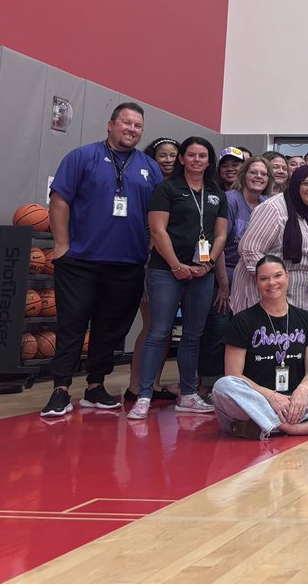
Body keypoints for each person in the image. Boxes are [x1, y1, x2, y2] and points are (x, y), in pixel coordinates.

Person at [40, 102, 164, 418]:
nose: (132, 130)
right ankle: (60, 389)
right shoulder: (82, 157)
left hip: (127, 264)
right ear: (110, 125)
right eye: (126, 123)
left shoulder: (150, 167)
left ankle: (96, 386)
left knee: (110, 329)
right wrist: (62, 244)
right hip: (81, 260)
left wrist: (148, 253)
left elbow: (157, 216)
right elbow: (59, 200)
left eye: (138, 126)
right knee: (72, 325)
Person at [129, 136, 228, 419]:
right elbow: (158, 231)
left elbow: (220, 234)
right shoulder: (167, 188)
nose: (197, 160)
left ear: (209, 161)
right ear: (182, 159)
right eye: (192, 155)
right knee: (158, 332)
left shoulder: (216, 193)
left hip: (201, 273)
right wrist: (175, 265)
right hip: (166, 271)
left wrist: (207, 268)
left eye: (203, 156)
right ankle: (144, 395)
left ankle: (188, 394)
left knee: (193, 335)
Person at [210, 255, 308, 439]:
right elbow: (234, 374)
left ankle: (263, 425)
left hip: (295, 401)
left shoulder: (306, 318)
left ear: (287, 276)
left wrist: (303, 390)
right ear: (256, 282)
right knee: (223, 386)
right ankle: (290, 428)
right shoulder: (242, 320)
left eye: (277, 276)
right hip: (257, 399)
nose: (272, 283)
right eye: (264, 278)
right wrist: (271, 396)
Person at [200, 156, 272, 396]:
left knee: (247, 332)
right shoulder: (230, 200)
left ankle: (242, 384)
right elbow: (217, 246)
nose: (258, 177)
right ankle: (208, 385)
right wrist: (223, 285)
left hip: (253, 275)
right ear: (244, 175)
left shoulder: (266, 205)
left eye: (263, 173)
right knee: (220, 329)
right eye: (253, 172)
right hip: (226, 272)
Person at [125, 135, 181, 404]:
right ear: (152, 158)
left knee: (165, 328)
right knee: (152, 327)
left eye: (173, 155)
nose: (168, 160)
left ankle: (154, 382)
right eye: (163, 155)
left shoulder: (181, 186)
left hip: (174, 266)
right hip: (152, 264)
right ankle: (136, 386)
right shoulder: (146, 186)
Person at [231, 166, 308, 314]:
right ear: (295, 183)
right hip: (269, 293)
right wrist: (275, 281)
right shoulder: (273, 208)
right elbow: (250, 250)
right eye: (307, 183)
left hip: (301, 293)